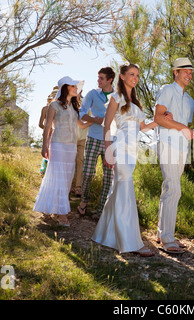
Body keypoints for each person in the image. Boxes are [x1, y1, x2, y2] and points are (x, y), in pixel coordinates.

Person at [91, 63, 158, 257]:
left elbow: (143, 128)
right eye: (131, 74)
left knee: (118, 189)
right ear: (122, 76)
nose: (135, 78)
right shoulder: (116, 98)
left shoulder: (136, 103)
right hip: (119, 147)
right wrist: (108, 151)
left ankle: (105, 235)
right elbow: (106, 126)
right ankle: (131, 242)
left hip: (133, 150)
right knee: (125, 190)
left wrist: (160, 120)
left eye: (137, 75)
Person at [153, 58, 194, 254]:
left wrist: (176, 123)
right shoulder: (167, 90)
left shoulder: (190, 101)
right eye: (185, 71)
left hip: (181, 147)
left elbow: (182, 127)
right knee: (174, 189)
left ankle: (162, 233)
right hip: (168, 144)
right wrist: (178, 125)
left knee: (169, 188)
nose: (189, 74)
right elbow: (159, 118)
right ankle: (167, 238)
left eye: (191, 72)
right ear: (175, 72)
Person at [33, 76, 84, 227]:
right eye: (74, 86)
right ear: (66, 88)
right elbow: (47, 127)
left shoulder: (75, 106)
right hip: (58, 144)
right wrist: (44, 146)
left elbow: (80, 125)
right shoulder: (54, 105)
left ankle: (55, 207)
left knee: (67, 178)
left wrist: (98, 121)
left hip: (71, 146)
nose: (76, 89)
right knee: (59, 177)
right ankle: (62, 215)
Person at [77, 67, 116, 217]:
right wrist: (95, 119)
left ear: (109, 80)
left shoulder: (117, 96)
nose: (98, 80)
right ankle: (83, 202)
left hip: (111, 140)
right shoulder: (92, 94)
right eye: (98, 77)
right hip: (93, 137)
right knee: (87, 173)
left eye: (101, 78)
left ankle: (101, 209)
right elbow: (81, 113)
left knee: (108, 176)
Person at [72, 90, 89, 196]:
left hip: (82, 137)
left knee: (80, 160)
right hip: (71, 137)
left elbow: (89, 119)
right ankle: (69, 185)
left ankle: (78, 187)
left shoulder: (86, 105)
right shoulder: (69, 104)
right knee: (70, 161)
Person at [38, 87, 58, 176]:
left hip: (56, 133)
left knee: (54, 153)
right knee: (47, 152)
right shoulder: (45, 109)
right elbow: (40, 124)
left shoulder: (59, 109)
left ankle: (52, 171)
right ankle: (46, 168)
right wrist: (47, 129)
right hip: (48, 133)